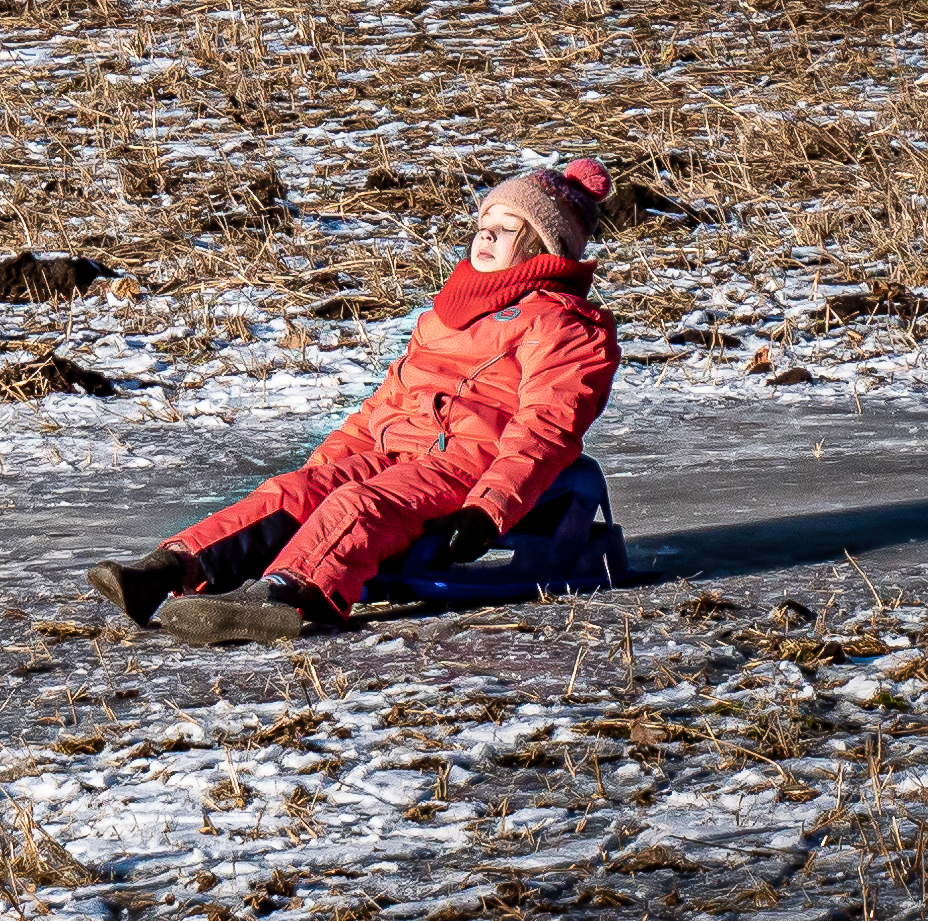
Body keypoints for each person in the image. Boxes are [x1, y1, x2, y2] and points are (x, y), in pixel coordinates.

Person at [88, 159, 621, 643]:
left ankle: (285, 595)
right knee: (292, 492)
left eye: (505, 231)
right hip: (394, 450)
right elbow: (383, 406)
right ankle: (166, 570)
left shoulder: (564, 325)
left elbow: (546, 427)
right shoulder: (446, 314)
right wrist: (323, 470)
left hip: (466, 463)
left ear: (545, 247)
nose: (485, 238)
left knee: (358, 507)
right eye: (482, 227)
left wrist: (489, 509)